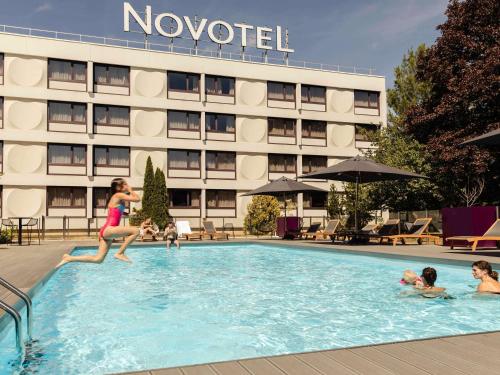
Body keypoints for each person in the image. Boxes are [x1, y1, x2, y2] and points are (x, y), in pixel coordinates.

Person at [56, 178, 141, 267]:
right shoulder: (118, 195)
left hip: (106, 230)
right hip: (110, 229)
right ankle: (120, 253)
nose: (126, 185)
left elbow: (115, 212)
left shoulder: (118, 198)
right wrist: (130, 189)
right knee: (136, 231)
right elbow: (137, 199)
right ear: (118, 187)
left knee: (98, 259)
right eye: (124, 184)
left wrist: (126, 214)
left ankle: (69, 258)